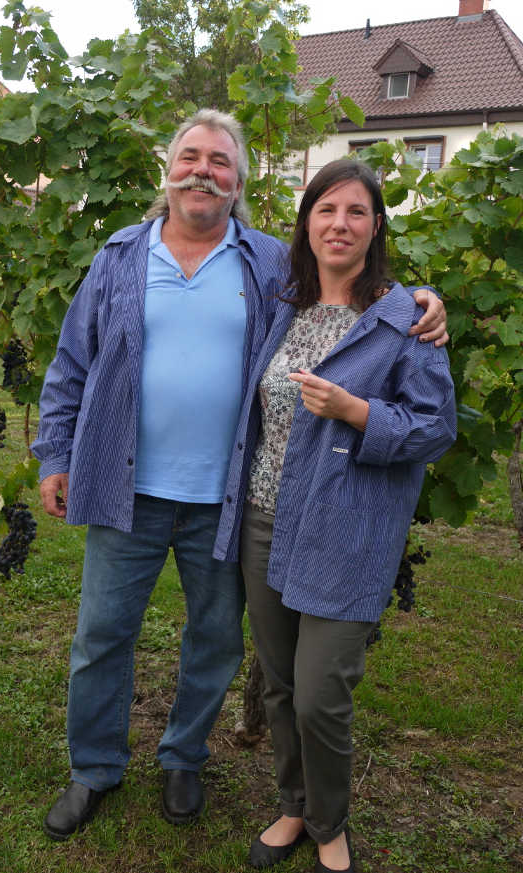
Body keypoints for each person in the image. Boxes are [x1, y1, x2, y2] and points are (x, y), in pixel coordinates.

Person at [32, 112, 448, 842]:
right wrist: (56, 452)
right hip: (123, 487)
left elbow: (350, 293)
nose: (203, 171)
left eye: (220, 162)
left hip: (226, 499)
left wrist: (421, 301)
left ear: (240, 181)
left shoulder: (266, 264)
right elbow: (72, 362)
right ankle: (94, 768)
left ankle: (183, 757)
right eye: (189, 157)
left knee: (216, 639)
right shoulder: (120, 256)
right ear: (168, 170)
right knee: (101, 634)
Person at [213, 159, 456, 872]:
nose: (339, 224)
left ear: (376, 225)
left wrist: (358, 411)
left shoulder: (400, 318)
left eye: (355, 211)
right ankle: (294, 807)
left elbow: (435, 427)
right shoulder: (281, 304)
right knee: (283, 683)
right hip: (263, 518)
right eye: (326, 210)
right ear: (307, 222)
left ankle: (331, 823)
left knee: (322, 694)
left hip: (344, 532)